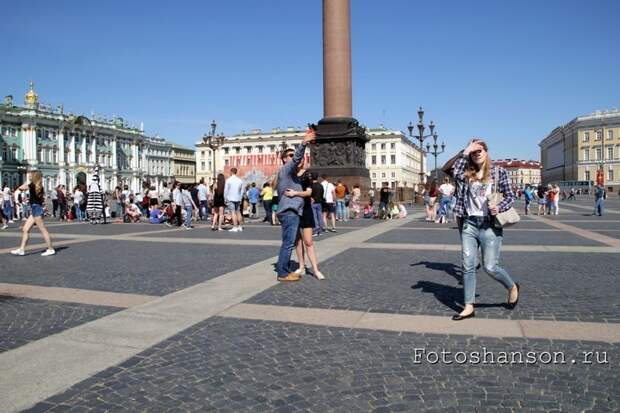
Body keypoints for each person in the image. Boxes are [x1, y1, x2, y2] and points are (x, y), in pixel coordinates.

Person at [450, 139, 519, 321]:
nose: (477, 153)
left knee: (490, 267)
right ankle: (468, 306)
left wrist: (500, 206)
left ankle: (512, 286)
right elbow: (454, 171)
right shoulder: (466, 172)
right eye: (473, 152)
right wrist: (466, 151)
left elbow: (510, 196)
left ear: (486, 152)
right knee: (468, 265)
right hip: (469, 224)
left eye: (479, 150)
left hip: (489, 225)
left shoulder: (498, 171)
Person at [274, 128, 315, 282]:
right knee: (288, 243)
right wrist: (304, 142)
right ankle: (283, 273)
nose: (293, 158)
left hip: (291, 212)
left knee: (288, 242)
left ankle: (283, 269)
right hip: (289, 212)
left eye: (293, 155)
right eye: (290, 155)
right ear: (284, 159)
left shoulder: (292, 176)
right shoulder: (286, 170)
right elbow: (298, 158)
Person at [10, 171, 55, 256]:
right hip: (36, 209)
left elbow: (20, 187)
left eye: (30, 176)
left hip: (36, 209)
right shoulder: (39, 186)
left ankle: (50, 249)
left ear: (34, 177)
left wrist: (27, 183)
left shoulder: (32, 185)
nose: (29, 177)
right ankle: (22, 249)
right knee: (25, 229)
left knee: (43, 230)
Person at [293, 167, 326, 280]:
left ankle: (315, 269)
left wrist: (295, 193)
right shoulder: (290, 173)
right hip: (294, 210)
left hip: (306, 209)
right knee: (297, 240)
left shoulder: (307, 175)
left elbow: (308, 192)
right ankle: (301, 266)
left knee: (308, 241)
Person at [224, 168, 244, 232]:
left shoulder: (228, 180)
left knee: (233, 212)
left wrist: (225, 198)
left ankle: (235, 227)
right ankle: (240, 226)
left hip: (230, 198)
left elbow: (226, 190)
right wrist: (240, 198)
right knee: (238, 212)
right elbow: (242, 191)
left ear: (231, 172)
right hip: (237, 198)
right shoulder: (240, 180)